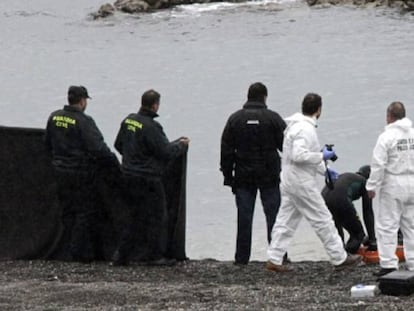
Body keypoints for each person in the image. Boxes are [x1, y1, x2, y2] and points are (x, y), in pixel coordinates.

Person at [266, 93, 362, 272]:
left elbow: (298, 157)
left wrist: (324, 170)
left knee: (285, 220)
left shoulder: (295, 126)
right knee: (323, 218)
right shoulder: (306, 129)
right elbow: (299, 155)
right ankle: (339, 257)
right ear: (319, 109)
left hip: (288, 179)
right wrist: (321, 156)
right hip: (301, 183)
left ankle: (274, 257)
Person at [112, 89, 189, 266]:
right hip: (148, 179)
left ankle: (121, 255)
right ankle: (154, 255)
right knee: (157, 216)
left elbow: (118, 145)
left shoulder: (129, 120)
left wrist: (132, 159)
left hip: (128, 175)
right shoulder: (152, 127)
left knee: (133, 216)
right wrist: (181, 146)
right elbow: (165, 152)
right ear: (155, 105)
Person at [45, 85, 120, 262]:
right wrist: (115, 165)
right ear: (82, 101)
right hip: (80, 172)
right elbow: (98, 148)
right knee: (84, 211)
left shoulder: (54, 117)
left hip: (59, 170)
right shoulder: (84, 121)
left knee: (67, 210)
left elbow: (47, 142)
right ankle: (79, 252)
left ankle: (65, 249)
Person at [220, 82, 286, 265]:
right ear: (264, 97)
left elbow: (226, 150)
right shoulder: (273, 118)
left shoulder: (235, 119)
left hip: (243, 176)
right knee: (274, 217)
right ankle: (278, 256)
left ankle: (241, 259)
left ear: (248, 96)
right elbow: (286, 148)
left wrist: (228, 176)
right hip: (269, 176)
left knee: (244, 218)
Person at [366, 101, 414, 277]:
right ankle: (413, 263)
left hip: (394, 183)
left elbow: (378, 164)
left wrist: (372, 186)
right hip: (412, 182)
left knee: (387, 226)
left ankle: (388, 264)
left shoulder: (386, 137)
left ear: (389, 116)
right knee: (411, 226)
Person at [322, 165, 377, 254]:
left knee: (337, 234)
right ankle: (348, 256)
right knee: (358, 235)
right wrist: (372, 240)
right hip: (340, 198)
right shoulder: (366, 183)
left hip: (323, 199)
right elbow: (368, 212)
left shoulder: (349, 177)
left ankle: (340, 256)